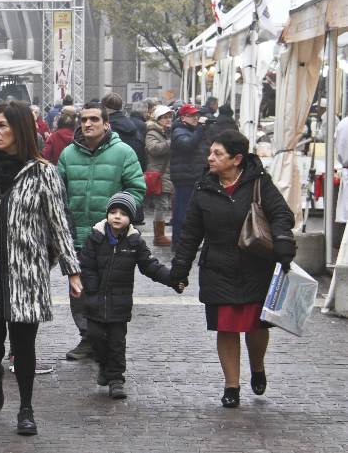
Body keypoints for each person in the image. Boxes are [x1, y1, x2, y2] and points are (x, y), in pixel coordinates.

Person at [0, 100, 80, 436]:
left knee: (24, 347)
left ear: (21, 129)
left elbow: (58, 224)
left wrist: (72, 270)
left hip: (27, 274)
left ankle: (26, 408)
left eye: (3, 126)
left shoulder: (43, 172)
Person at [170, 130, 296, 408]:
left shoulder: (259, 182)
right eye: (211, 152)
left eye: (218, 153)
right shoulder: (203, 187)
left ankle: (258, 367)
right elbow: (190, 232)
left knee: (255, 326)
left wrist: (284, 243)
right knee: (225, 328)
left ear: (237, 159)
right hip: (218, 267)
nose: (210, 158)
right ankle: (232, 386)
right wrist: (179, 271)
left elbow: (281, 214)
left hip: (256, 266)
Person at [57, 102, 146, 361]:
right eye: (83, 119)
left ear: (106, 123)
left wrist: (118, 217)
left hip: (111, 238)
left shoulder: (123, 153)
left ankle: (107, 339)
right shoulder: (68, 155)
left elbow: (136, 189)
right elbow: (57, 194)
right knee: (80, 291)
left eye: (94, 119)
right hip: (77, 237)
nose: (87, 124)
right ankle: (88, 337)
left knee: (111, 290)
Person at [79, 192, 183, 399]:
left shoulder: (135, 243)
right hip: (95, 301)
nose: (117, 217)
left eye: (123, 214)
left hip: (120, 303)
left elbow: (150, 266)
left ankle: (116, 379)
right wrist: (91, 288)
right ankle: (104, 364)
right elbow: (86, 265)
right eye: (113, 212)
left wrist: (172, 279)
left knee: (117, 342)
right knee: (95, 337)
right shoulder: (95, 238)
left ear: (131, 218)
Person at [102, 93, 147, 225]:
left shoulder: (106, 129)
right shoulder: (134, 127)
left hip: (109, 180)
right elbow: (142, 156)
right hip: (131, 177)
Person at [170, 104, 209, 247]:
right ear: (182, 117)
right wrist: (200, 128)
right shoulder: (179, 131)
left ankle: (183, 240)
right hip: (185, 177)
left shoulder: (190, 130)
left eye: (196, 115)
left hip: (192, 176)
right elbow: (187, 145)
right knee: (183, 211)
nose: (195, 118)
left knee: (189, 211)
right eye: (191, 115)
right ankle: (178, 241)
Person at [145, 105, 175, 246]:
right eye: (165, 117)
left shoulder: (167, 132)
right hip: (160, 174)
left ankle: (160, 235)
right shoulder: (153, 133)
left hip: (166, 173)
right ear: (158, 119)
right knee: (161, 205)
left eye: (170, 117)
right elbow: (153, 149)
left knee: (164, 204)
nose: (168, 119)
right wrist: (170, 143)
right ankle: (159, 236)